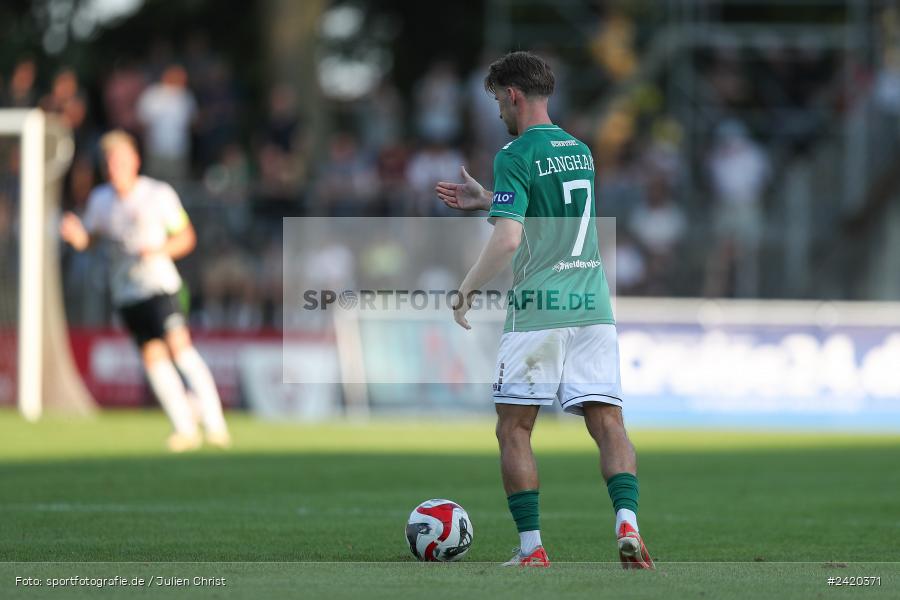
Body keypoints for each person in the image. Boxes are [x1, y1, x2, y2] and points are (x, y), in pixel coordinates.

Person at [435, 51, 653, 569]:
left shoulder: (515, 152)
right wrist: (489, 199)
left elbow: (510, 238)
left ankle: (532, 548)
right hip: (592, 304)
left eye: (497, 101)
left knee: (514, 428)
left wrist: (466, 289)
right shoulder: (580, 150)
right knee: (608, 422)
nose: (497, 112)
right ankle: (627, 522)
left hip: (539, 308)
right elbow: (549, 213)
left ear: (512, 95)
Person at [60, 130, 230, 452]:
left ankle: (215, 424)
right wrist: (77, 237)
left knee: (179, 348)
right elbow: (90, 240)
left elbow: (186, 237)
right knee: (153, 358)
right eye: (110, 163)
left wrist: (158, 251)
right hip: (126, 292)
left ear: (135, 161)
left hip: (160, 285)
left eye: (121, 161)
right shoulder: (100, 201)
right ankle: (185, 429)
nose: (115, 169)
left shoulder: (158, 195)